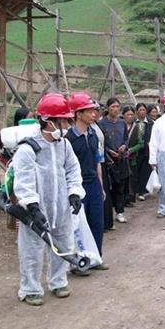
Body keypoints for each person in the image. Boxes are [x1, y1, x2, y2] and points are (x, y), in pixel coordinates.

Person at [11, 93, 85, 305]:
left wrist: (74, 193)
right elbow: (23, 180)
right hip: (36, 207)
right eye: (63, 120)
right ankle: (30, 288)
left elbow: (72, 169)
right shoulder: (28, 148)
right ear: (48, 121)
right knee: (31, 248)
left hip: (60, 204)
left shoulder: (63, 144)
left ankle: (58, 281)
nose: (66, 125)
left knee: (63, 241)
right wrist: (31, 205)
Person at [66, 92, 108, 271]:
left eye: (94, 111)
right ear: (78, 114)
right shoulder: (68, 139)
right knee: (78, 225)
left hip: (94, 184)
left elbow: (98, 162)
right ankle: (79, 262)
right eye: (89, 111)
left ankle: (96, 257)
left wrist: (101, 186)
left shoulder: (93, 135)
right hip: (77, 186)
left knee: (97, 222)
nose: (94, 114)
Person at [99, 98, 130, 224]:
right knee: (109, 187)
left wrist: (124, 146)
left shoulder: (122, 123)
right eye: (112, 106)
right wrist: (109, 151)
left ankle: (120, 211)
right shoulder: (102, 124)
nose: (115, 109)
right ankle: (108, 213)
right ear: (107, 108)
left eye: (117, 106)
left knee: (121, 186)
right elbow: (100, 142)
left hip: (121, 159)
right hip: (109, 160)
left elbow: (126, 139)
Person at [90, 104, 115, 232]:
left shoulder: (97, 126)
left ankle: (106, 222)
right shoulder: (86, 128)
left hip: (102, 162)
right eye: (92, 111)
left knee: (105, 191)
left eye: (96, 110)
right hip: (92, 163)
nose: (95, 113)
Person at [128, 103, 153, 201]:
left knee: (144, 171)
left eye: (143, 109)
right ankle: (134, 191)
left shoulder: (151, 123)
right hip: (135, 151)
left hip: (147, 151)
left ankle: (142, 191)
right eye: (140, 110)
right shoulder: (134, 123)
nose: (142, 112)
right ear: (136, 111)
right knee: (135, 171)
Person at [122, 105, 137, 207]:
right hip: (120, 157)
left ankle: (129, 198)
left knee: (131, 179)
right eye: (128, 114)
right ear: (123, 115)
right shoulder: (119, 126)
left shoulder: (136, 127)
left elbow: (140, 143)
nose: (130, 116)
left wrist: (131, 150)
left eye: (132, 114)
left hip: (132, 157)